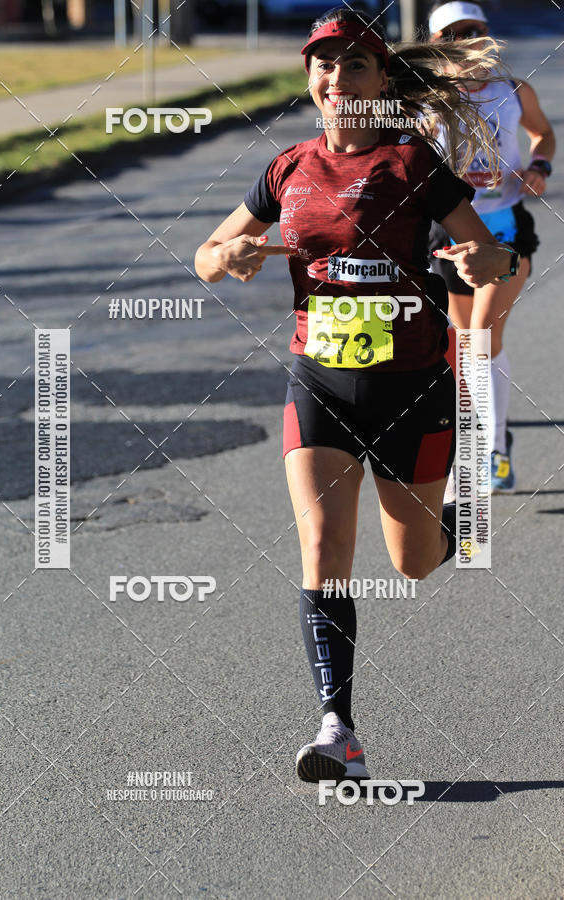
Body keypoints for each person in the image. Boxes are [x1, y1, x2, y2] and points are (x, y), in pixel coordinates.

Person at [195, 6, 520, 783]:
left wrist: (486, 265)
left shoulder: (413, 166)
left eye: (356, 65)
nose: (338, 78)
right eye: (324, 64)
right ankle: (337, 727)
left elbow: (489, 251)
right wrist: (229, 252)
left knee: (412, 563)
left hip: (412, 390)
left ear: (381, 82)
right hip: (319, 387)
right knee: (324, 552)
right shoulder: (286, 168)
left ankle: (455, 519)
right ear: (311, 79)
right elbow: (206, 254)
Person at [427, 1, 555, 493]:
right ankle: (476, 441)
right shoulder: (425, 99)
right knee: (461, 349)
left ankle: (494, 451)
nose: (464, 41)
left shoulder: (515, 91)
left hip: (504, 230)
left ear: (487, 36)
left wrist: (539, 166)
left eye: (473, 31)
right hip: (446, 235)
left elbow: (542, 133)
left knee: (481, 336)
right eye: (451, 34)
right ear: (436, 45)